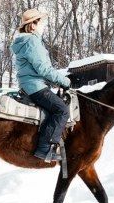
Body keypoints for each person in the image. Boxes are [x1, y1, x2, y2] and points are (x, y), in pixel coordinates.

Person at [11, 9, 71, 163]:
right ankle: (45, 149)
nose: (43, 26)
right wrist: (65, 81)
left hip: (30, 84)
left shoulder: (24, 41)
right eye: (41, 22)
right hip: (35, 87)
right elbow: (43, 69)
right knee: (62, 110)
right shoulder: (32, 41)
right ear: (32, 26)